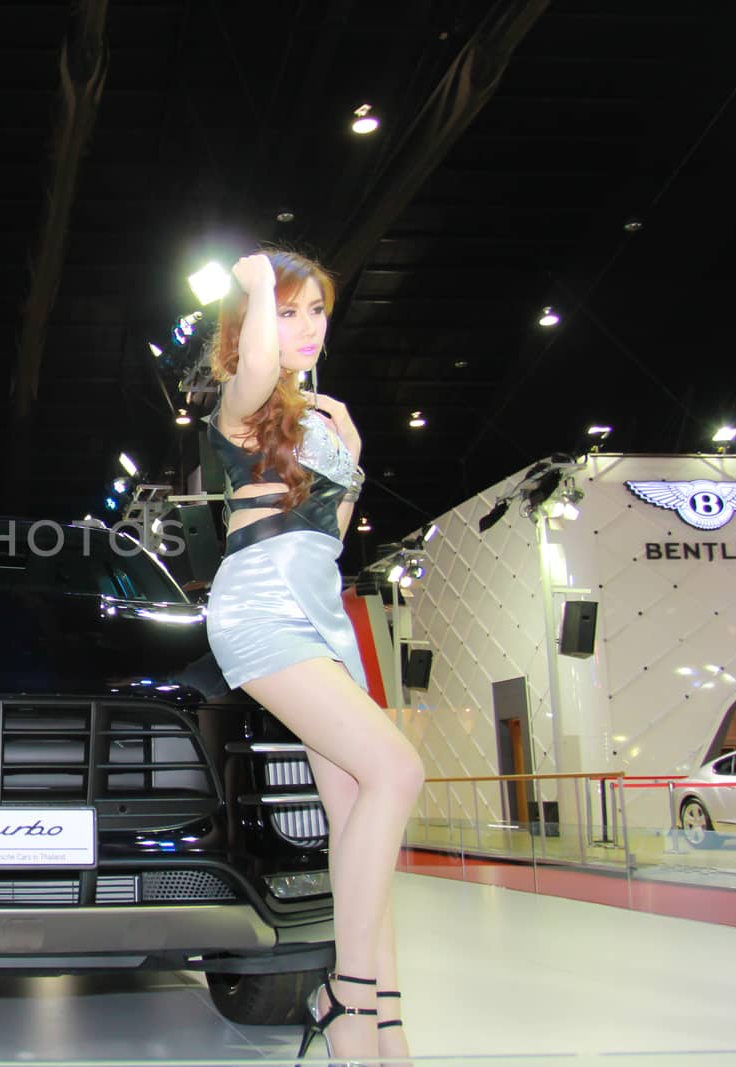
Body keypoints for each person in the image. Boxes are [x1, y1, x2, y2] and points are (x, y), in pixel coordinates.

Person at [203, 249, 423, 1063]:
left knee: (357, 811)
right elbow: (259, 357)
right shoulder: (240, 403)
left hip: (322, 608)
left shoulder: (326, 419)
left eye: (317, 310)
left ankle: (383, 1027)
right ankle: (348, 995)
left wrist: (353, 459)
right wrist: (258, 279)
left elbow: (328, 538)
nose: (305, 327)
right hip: (262, 607)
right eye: (288, 311)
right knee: (397, 772)